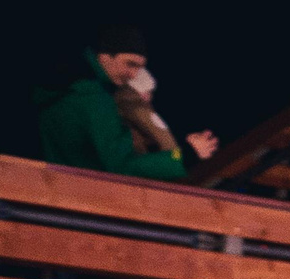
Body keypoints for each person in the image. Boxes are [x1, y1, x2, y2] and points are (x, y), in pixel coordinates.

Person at [36, 25, 218, 181]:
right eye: (130, 64)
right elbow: (122, 166)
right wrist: (184, 156)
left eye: (139, 67)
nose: (134, 75)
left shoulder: (64, 93)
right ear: (104, 57)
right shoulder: (94, 99)